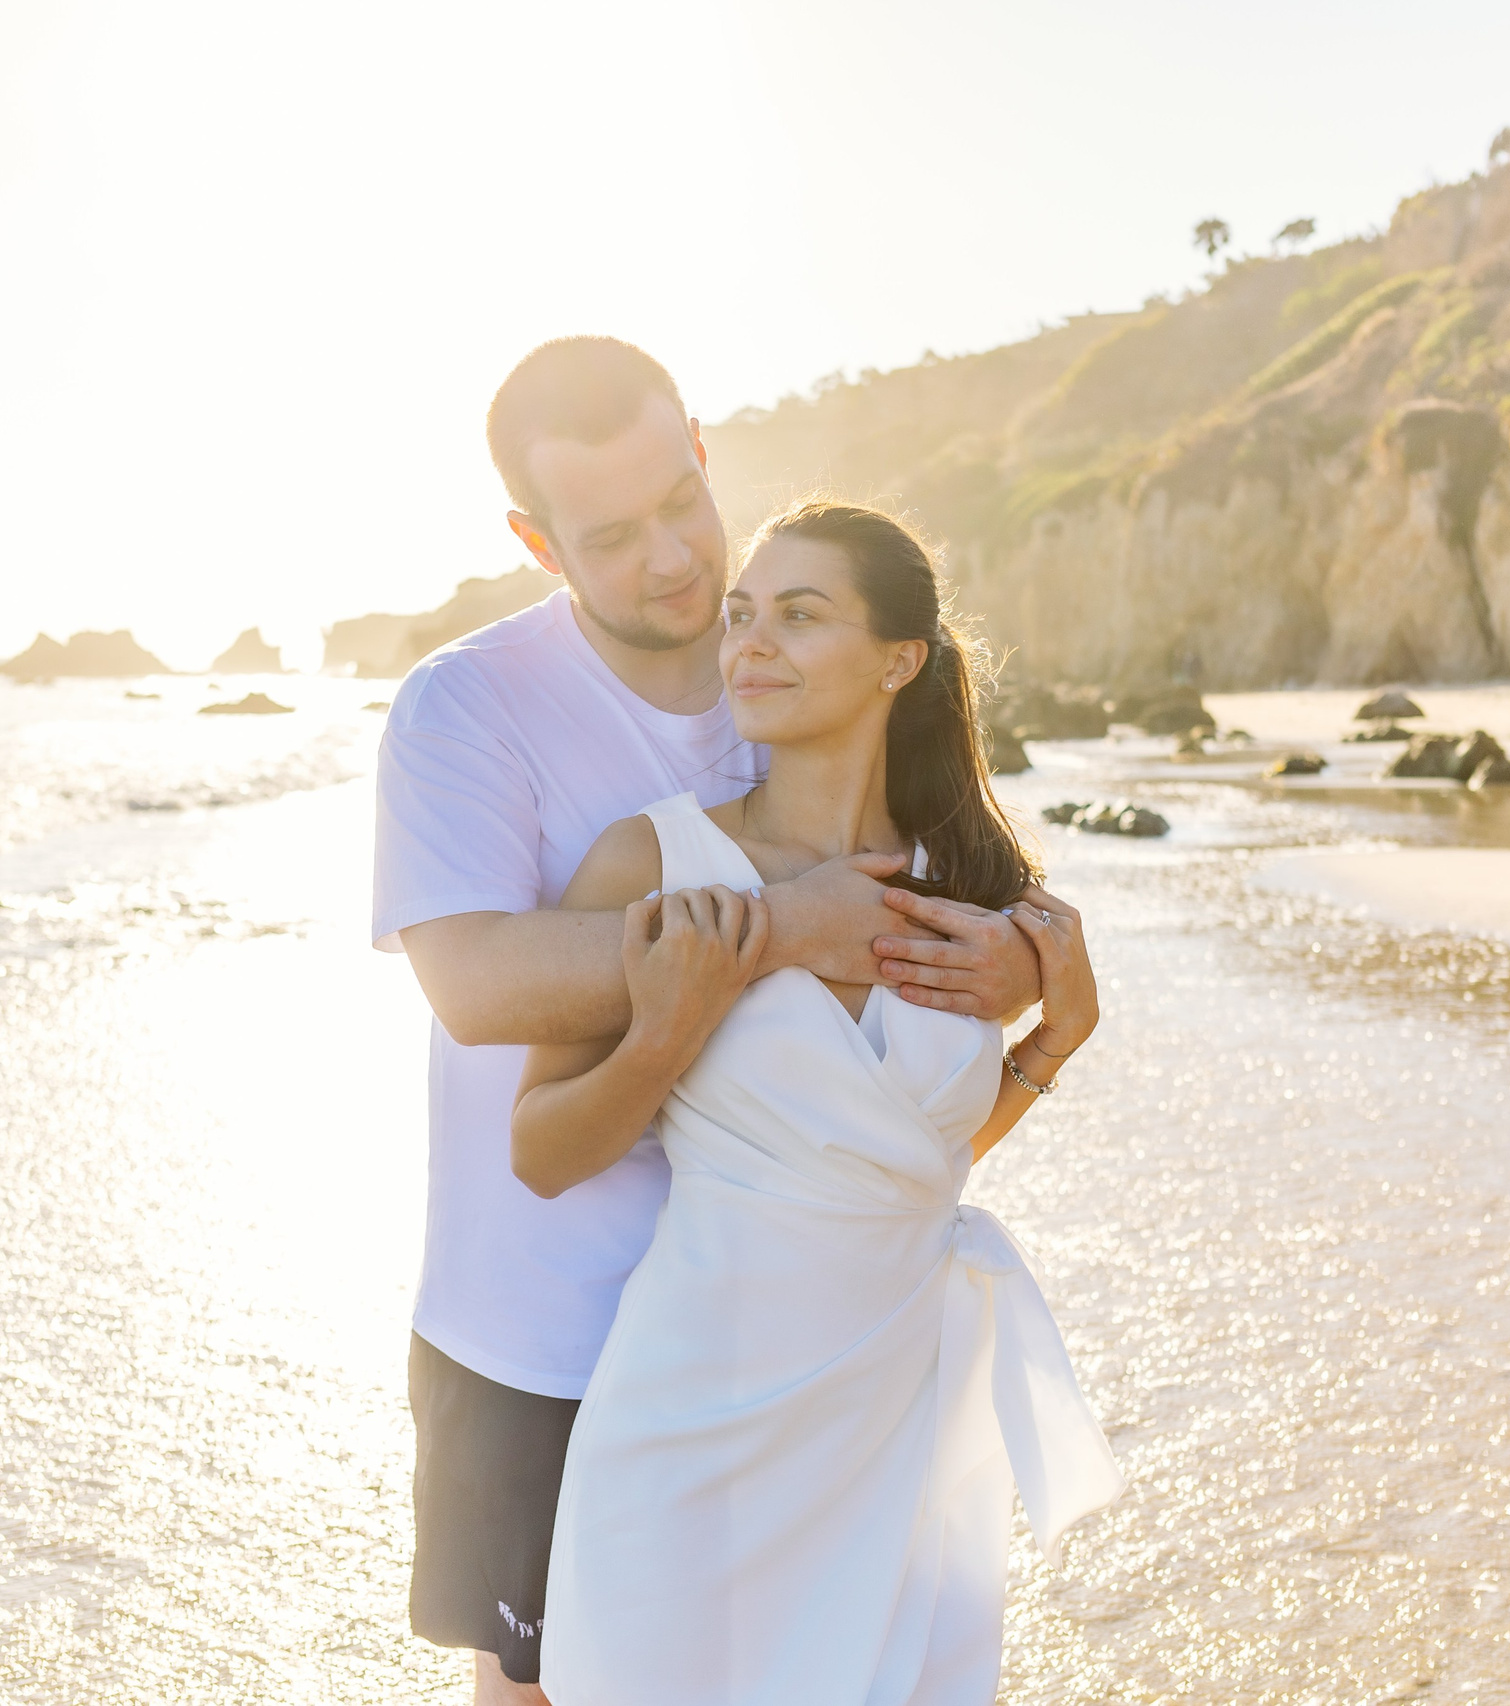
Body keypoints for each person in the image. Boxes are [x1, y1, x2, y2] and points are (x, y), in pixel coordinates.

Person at [371, 338, 1046, 1704]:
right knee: (551, 1684)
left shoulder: (789, 691)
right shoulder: (467, 707)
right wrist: (774, 927)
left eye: (681, 500)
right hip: (547, 1324)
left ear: (698, 439)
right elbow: (477, 985)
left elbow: (950, 905)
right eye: (612, 538)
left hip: (799, 1336)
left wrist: (1044, 967)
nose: (675, 562)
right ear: (536, 540)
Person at [520, 500, 1122, 1705]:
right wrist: (675, 1020)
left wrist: (1054, 1039)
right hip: (691, 1431)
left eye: (799, 615)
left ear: (900, 658)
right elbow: (541, 1149)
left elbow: (906, 1158)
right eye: (742, 616)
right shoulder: (653, 861)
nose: (750, 643)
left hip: (892, 1432)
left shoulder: (973, 895)